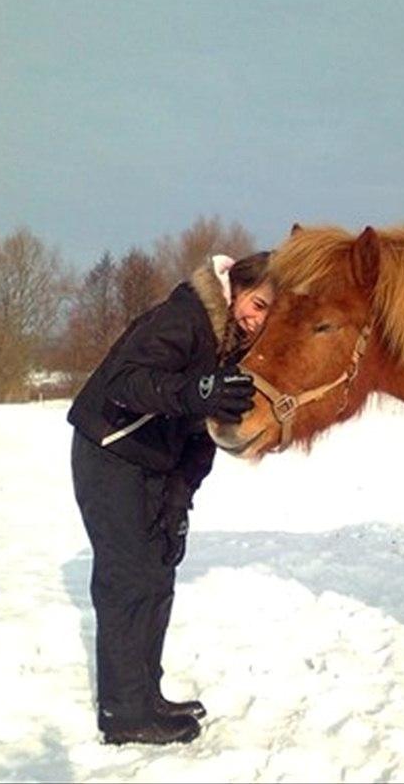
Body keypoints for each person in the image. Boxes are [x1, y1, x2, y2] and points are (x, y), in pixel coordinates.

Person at [68, 251, 274, 746]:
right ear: (239, 287)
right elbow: (125, 381)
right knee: (128, 579)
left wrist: (179, 500)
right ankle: (123, 713)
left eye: (270, 314)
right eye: (259, 304)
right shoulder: (185, 317)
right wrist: (196, 389)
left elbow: (201, 435)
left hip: (154, 462)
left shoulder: (228, 344)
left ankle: (145, 695)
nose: (258, 319)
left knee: (158, 572)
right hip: (110, 451)